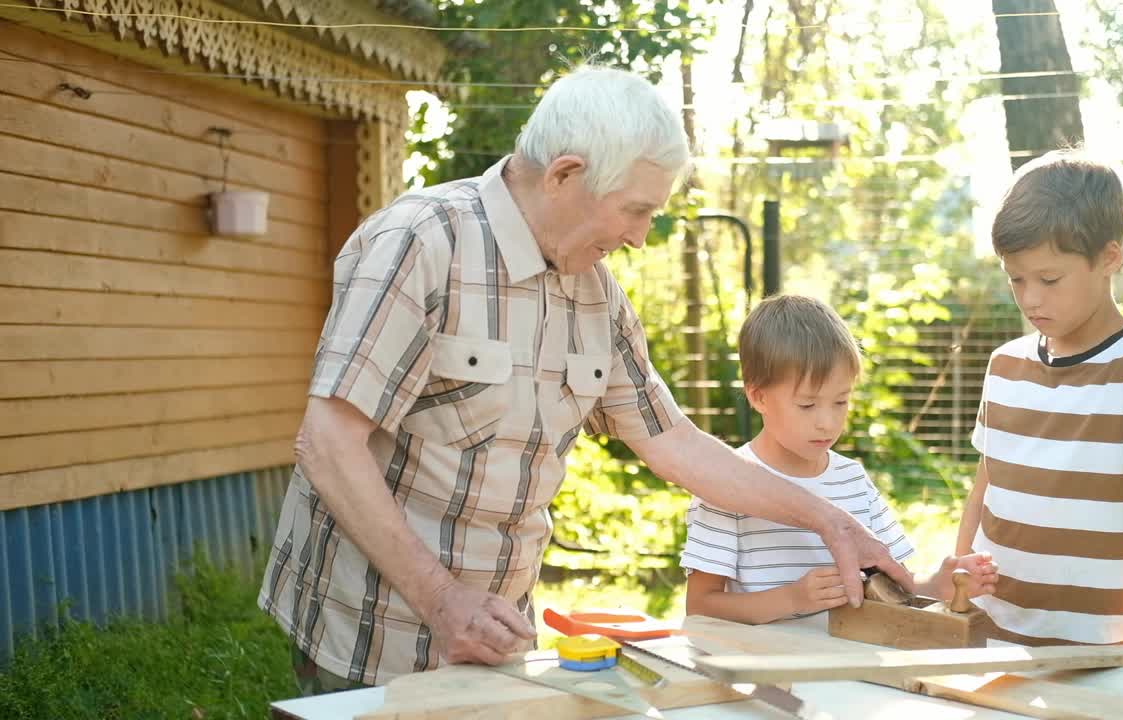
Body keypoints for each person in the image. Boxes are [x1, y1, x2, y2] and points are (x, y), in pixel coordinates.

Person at [258, 65, 912, 692]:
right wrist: (443, 600)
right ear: (565, 175)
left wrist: (830, 520)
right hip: (368, 633)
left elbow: (673, 443)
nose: (639, 238)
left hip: (495, 638)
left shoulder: (599, 298)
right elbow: (328, 441)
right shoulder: (422, 241)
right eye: (635, 210)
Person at [955, 150, 1123, 710]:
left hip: (1097, 656)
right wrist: (958, 589)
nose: (1030, 299)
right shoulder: (1004, 365)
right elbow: (986, 488)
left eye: (1049, 279)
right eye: (1016, 280)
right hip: (991, 641)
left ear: (1109, 258)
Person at [681, 295, 998, 624]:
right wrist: (792, 599)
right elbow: (701, 606)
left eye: (841, 402)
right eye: (807, 405)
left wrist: (935, 585)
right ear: (758, 396)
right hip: (757, 670)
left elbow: (896, 583)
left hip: (847, 670)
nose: (828, 422)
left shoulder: (853, 479)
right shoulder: (724, 485)